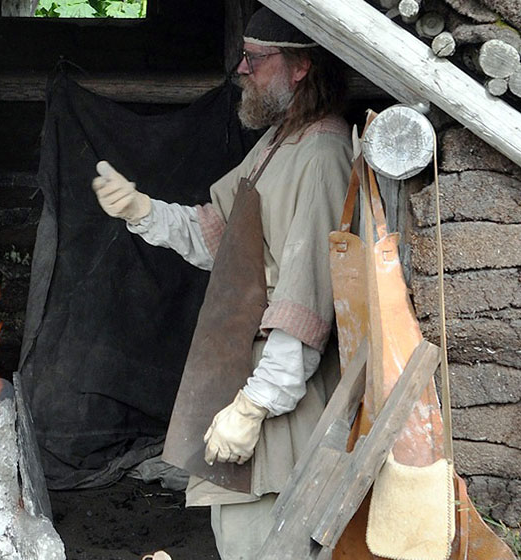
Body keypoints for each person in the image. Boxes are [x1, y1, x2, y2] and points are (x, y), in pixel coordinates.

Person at [90, 9, 351, 559]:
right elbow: (224, 242)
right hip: (251, 382)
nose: (241, 70)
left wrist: (254, 408)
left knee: (265, 546)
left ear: (300, 66)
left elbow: (306, 302)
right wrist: (141, 209)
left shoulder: (323, 155)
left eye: (255, 60)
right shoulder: (279, 143)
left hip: (287, 409)